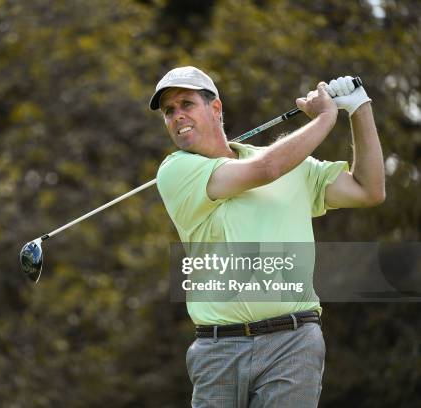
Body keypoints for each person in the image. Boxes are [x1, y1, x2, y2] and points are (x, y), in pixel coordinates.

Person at [150, 66, 385, 408]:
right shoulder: (175, 170)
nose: (177, 116)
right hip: (219, 350)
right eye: (169, 111)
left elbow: (369, 190)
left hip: (293, 343)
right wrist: (324, 119)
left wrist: (359, 108)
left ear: (215, 109)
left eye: (186, 104)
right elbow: (265, 170)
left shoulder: (295, 166)